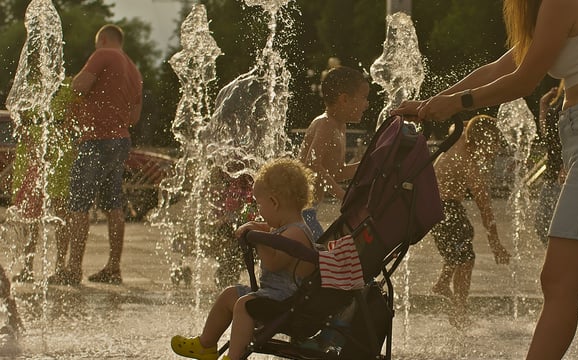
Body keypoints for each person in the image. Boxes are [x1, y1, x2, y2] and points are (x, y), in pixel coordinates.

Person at [391, 0, 578, 358]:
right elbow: (500, 67)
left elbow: (524, 80)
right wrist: (432, 103)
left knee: (559, 280)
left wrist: (458, 103)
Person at [171, 158, 317, 360]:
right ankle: (206, 344)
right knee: (230, 294)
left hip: (287, 300)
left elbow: (273, 263)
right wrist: (251, 228)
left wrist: (260, 241)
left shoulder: (297, 233)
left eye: (260, 205)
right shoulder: (284, 227)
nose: (259, 212)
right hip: (272, 295)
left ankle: (235, 356)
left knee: (244, 305)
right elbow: (262, 229)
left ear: (274, 202)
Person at [48, 24, 143, 286]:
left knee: (78, 205)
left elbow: (79, 86)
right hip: (120, 140)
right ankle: (113, 268)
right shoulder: (134, 70)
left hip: (96, 141)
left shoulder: (103, 55)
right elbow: (134, 118)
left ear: (102, 39)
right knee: (114, 206)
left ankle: (73, 269)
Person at [429, 114, 512, 328]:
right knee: (466, 259)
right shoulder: (468, 163)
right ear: (481, 141)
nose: (495, 149)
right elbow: (485, 209)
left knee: (462, 240)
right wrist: (496, 245)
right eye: (493, 144)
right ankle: (459, 311)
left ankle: (442, 283)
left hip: (437, 207)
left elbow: (462, 125)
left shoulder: (461, 136)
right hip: (443, 209)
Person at [11, 78, 77, 283]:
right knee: (30, 213)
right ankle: (28, 267)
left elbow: (72, 118)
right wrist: (32, 146)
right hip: (30, 154)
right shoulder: (29, 84)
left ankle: (59, 267)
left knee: (60, 210)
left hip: (58, 153)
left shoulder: (68, 86)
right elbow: (17, 116)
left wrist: (54, 144)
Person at [297, 65, 369, 239]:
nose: (367, 104)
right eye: (364, 98)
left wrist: (369, 164)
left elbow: (336, 172)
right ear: (344, 99)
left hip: (309, 210)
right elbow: (311, 165)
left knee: (320, 253)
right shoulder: (325, 124)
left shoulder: (340, 126)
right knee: (319, 253)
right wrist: (342, 196)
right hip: (297, 211)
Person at [534, 80, 564, 244]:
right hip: (552, 174)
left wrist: (567, 165)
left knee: (554, 227)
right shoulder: (560, 100)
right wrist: (543, 105)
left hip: (564, 173)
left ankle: (573, 266)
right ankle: (573, 266)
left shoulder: (577, 99)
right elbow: (548, 134)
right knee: (544, 226)